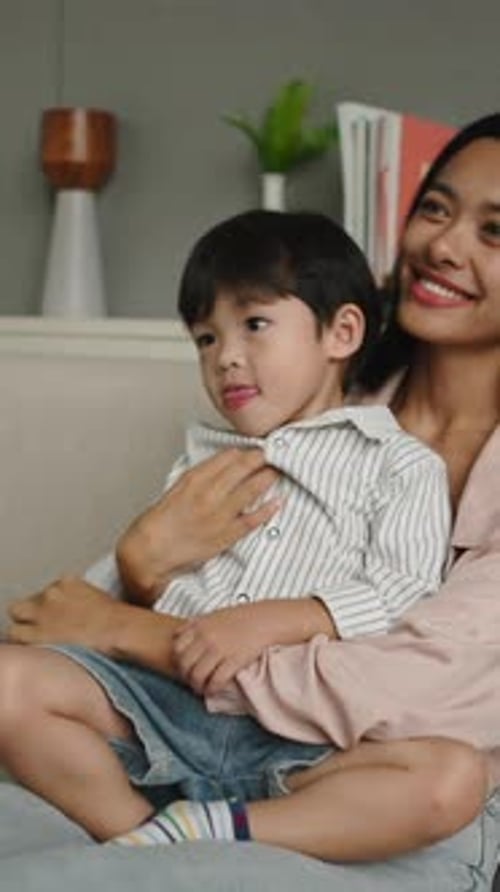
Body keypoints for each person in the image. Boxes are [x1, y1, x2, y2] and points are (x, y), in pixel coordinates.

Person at [4, 112, 500, 889]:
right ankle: (147, 841)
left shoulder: (390, 463)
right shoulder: (275, 409)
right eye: (435, 208)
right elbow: (75, 618)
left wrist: (139, 631)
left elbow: (422, 692)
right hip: (171, 734)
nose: (444, 244)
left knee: (447, 779)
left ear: (340, 330)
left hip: (334, 774)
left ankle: (194, 842)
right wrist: (138, 567)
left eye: (495, 231)